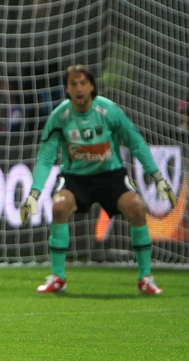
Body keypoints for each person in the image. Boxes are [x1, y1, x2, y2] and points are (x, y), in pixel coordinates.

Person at [20, 64, 176, 294]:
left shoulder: (109, 111)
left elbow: (135, 142)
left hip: (110, 176)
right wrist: (34, 194)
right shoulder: (59, 116)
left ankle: (145, 277)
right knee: (59, 206)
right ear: (67, 89)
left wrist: (158, 178)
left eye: (83, 82)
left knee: (136, 207)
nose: (79, 88)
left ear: (92, 86)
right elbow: (45, 158)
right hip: (75, 178)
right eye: (73, 84)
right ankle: (57, 276)